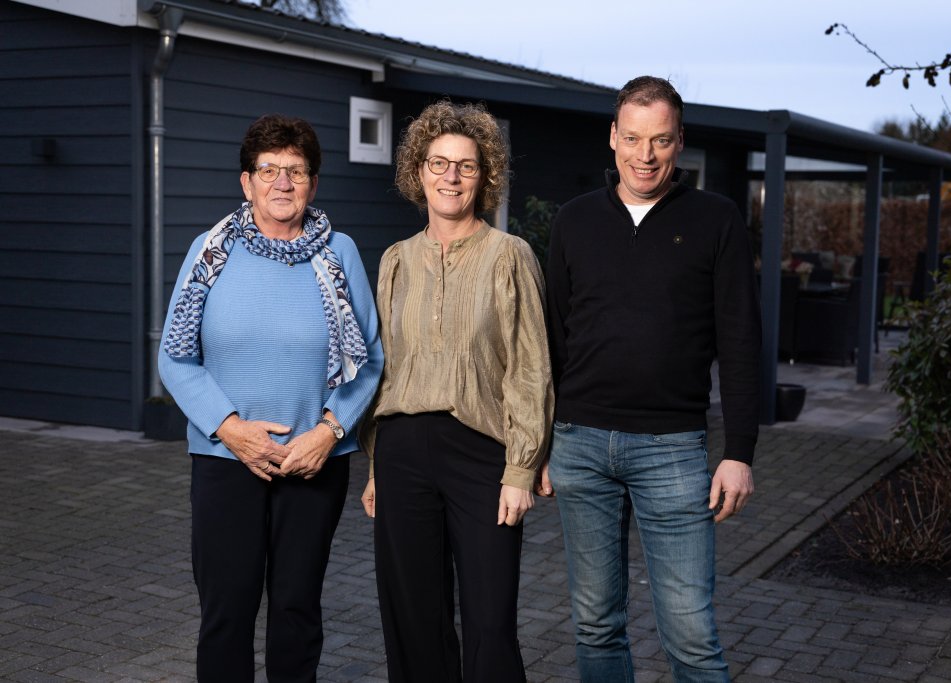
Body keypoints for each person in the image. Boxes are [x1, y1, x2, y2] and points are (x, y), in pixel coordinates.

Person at [539, 76, 761, 682]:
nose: (645, 155)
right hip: (580, 445)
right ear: (612, 137)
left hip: (673, 452)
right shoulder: (574, 221)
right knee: (595, 624)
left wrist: (738, 452)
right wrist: (542, 445)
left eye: (660, 140)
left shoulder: (716, 220)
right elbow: (552, 341)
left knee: (690, 632)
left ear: (680, 141)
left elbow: (741, 343)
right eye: (633, 138)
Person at [159, 114, 383, 682]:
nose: (283, 183)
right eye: (269, 170)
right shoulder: (209, 252)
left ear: (312, 182)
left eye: (297, 170)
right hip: (224, 459)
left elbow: (369, 358)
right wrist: (230, 428)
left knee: (296, 608)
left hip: (313, 462)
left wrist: (329, 431)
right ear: (246, 182)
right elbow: (175, 357)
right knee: (226, 611)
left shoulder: (341, 253)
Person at [359, 100, 553, 683]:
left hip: (481, 455)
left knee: (491, 623)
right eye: (439, 163)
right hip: (401, 451)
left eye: (466, 167)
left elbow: (530, 365)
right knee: (414, 620)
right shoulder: (395, 260)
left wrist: (523, 468)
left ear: (485, 176)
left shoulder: (509, 255)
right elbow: (384, 368)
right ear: (417, 171)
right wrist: (375, 464)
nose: (451, 177)